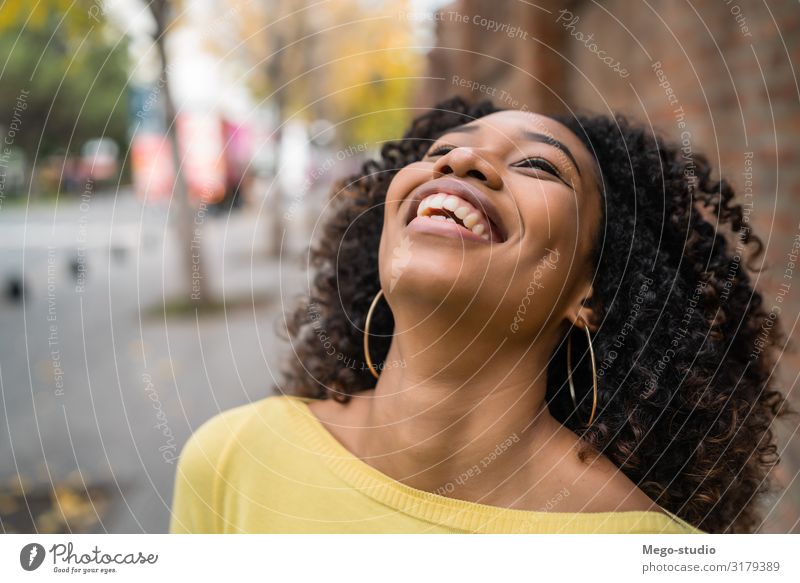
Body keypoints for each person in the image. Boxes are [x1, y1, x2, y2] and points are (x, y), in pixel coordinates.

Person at [170, 96, 789, 534]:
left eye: (539, 166)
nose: (459, 163)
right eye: (444, 151)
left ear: (590, 295)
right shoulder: (232, 460)